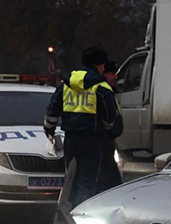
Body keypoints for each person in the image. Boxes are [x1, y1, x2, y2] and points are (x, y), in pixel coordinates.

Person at [43, 46, 119, 207]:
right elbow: (110, 117)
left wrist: (49, 130)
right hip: (92, 140)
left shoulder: (66, 84)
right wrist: (106, 130)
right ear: (101, 65)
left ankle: (66, 211)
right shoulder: (102, 87)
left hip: (70, 139)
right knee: (88, 180)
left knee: (70, 178)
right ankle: (81, 214)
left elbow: (52, 111)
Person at [95, 59, 123, 194]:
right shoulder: (102, 92)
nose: (116, 77)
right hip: (102, 141)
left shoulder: (109, 92)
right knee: (109, 181)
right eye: (112, 73)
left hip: (108, 141)